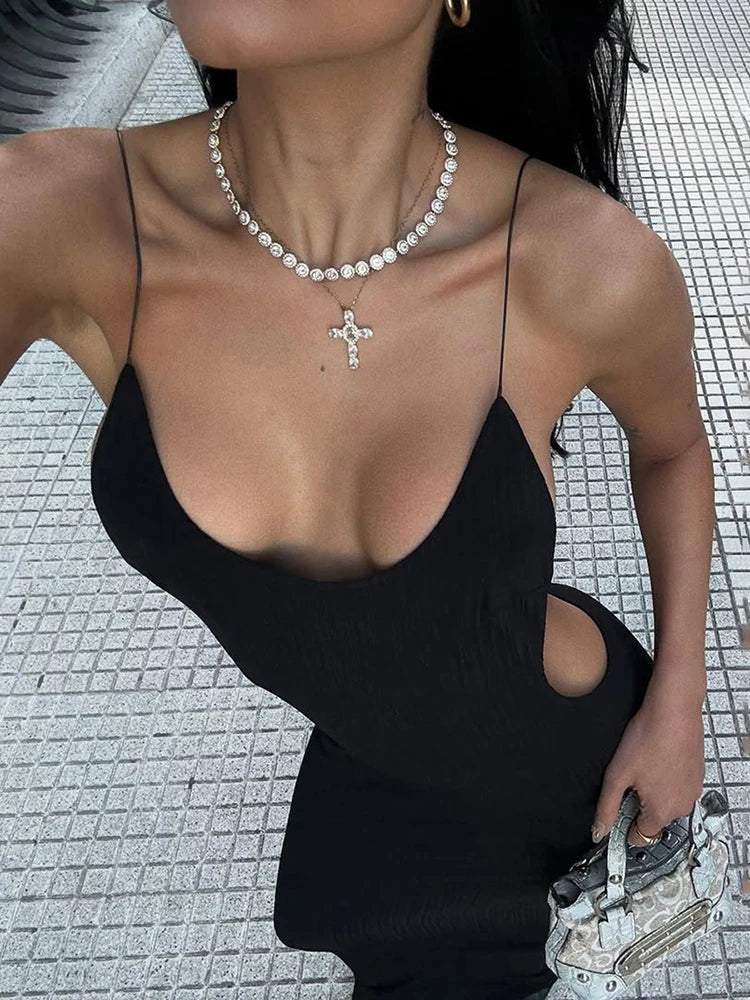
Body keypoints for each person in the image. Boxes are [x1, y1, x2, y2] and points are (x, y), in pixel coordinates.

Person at [0, 0, 714, 997]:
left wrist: (679, 701)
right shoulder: (48, 214)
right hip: (372, 780)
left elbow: (675, 448)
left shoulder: (584, 259)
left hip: (568, 773)